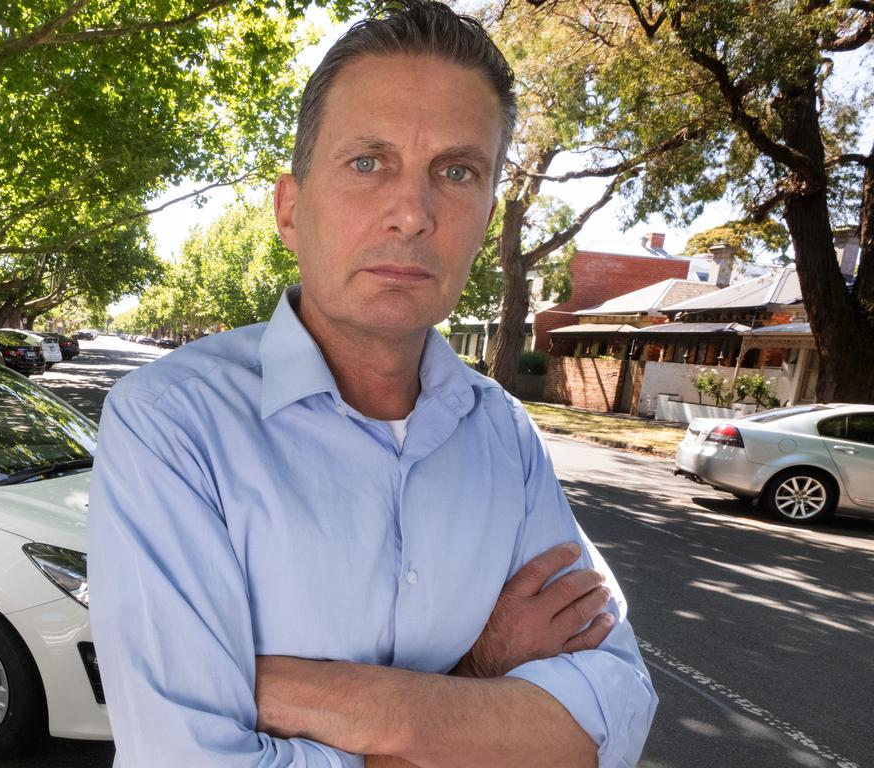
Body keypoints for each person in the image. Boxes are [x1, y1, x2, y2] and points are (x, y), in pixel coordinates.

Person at [88, 2, 657, 766]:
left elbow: (614, 712)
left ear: (487, 216)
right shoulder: (171, 425)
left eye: (456, 172)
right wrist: (484, 675)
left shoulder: (507, 437)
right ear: (291, 211)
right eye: (368, 162)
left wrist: (301, 694)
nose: (412, 213)